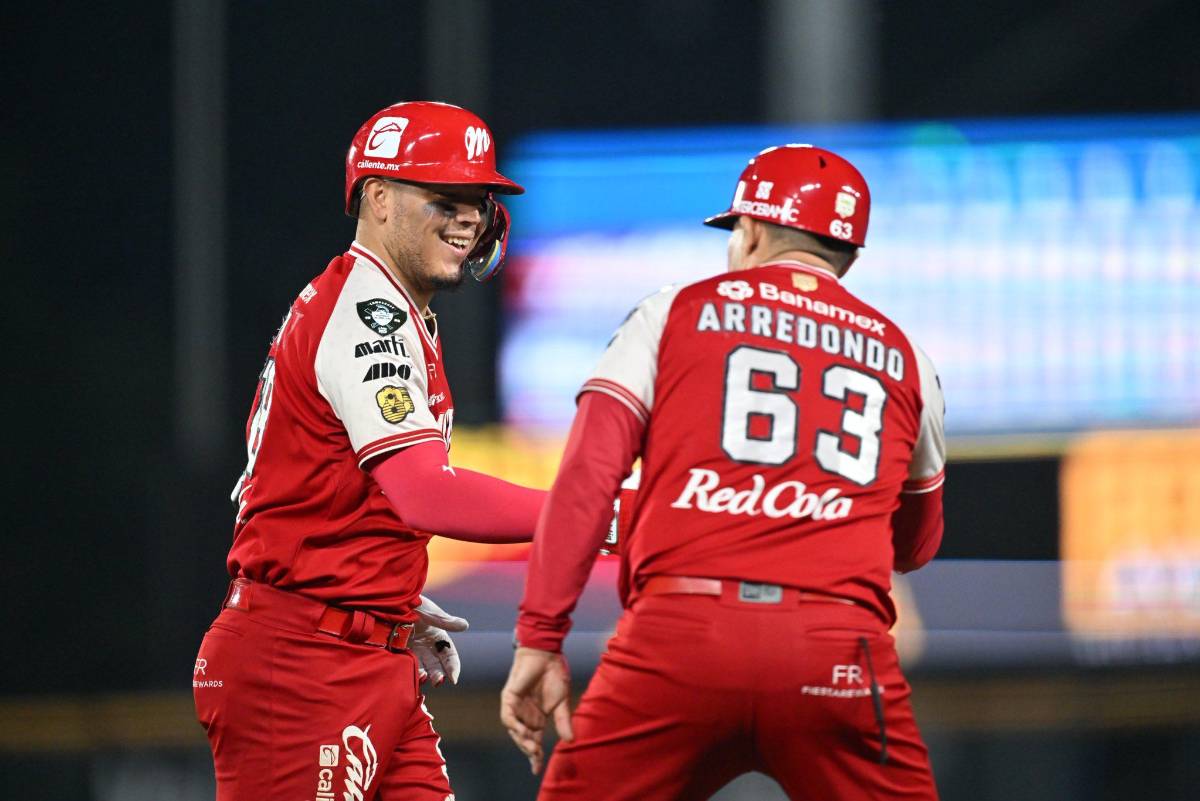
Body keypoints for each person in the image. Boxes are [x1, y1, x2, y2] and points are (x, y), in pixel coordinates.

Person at [501, 144, 946, 800]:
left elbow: (588, 480)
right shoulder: (908, 357)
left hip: (681, 638)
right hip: (835, 653)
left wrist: (541, 636)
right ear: (848, 255)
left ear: (754, 230)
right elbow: (915, 545)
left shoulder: (672, 311)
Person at [194, 101, 549, 801]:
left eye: (478, 201)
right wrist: (592, 509)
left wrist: (382, 602)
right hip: (300, 665)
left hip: (359, 650)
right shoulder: (367, 315)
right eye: (446, 197)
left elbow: (321, 486)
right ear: (379, 198)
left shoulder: (390, 308)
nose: (469, 219)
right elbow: (427, 492)